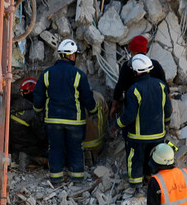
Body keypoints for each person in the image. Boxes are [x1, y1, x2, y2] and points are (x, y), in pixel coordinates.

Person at [32, 39, 96, 184]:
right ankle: (78, 179)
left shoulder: (47, 74)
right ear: (72, 56)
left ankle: (56, 179)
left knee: (55, 148)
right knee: (75, 148)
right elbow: (87, 97)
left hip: (53, 121)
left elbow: (38, 96)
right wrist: (93, 110)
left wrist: (38, 111)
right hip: (75, 121)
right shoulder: (79, 75)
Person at [117, 55, 171, 188]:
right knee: (152, 160)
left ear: (136, 71)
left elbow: (130, 115)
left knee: (136, 160)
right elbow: (168, 109)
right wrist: (166, 122)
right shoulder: (161, 86)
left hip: (138, 137)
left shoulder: (134, 90)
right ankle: (150, 182)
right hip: (158, 135)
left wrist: (117, 124)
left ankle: (135, 187)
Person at [111, 34, 167, 118]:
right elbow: (166, 88)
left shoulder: (127, 66)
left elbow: (120, 87)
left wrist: (114, 106)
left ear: (134, 51)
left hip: (132, 111)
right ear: (145, 51)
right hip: (154, 112)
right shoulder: (155, 65)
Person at [10, 78, 47, 167]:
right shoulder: (33, 113)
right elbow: (41, 135)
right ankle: (29, 159)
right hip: (29, 147)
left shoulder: (12, 107)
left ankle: (16, 156)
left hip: (13, 146)